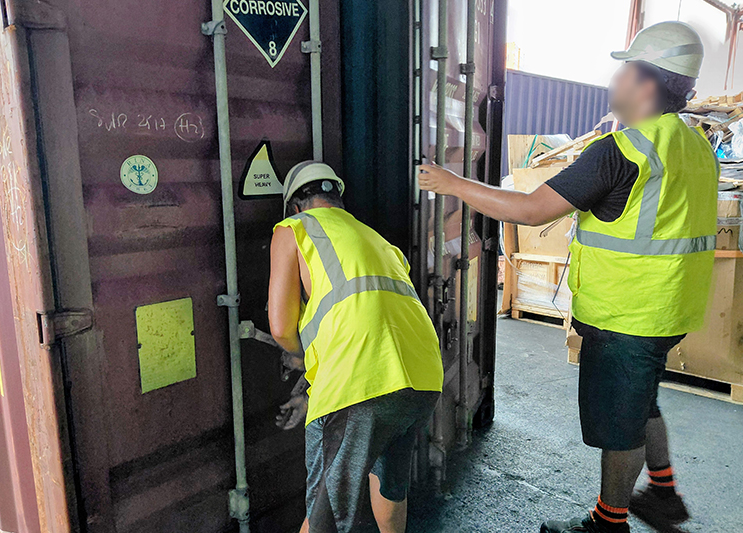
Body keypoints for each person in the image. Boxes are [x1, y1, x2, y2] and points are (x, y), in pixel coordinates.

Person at [419, 21, 717, 533]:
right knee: (642, 400)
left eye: (624, 69)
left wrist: (451, 182)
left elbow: (532, 210)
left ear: (646, 84)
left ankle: (609, 522)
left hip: (628, 315)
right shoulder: (693, 145)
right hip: (671, 308)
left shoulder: (622, 152)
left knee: (619, 424)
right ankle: (664, 493)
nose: (615, 79)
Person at [268, 161, 444, 533]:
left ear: (295, 205)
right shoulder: (375, 237)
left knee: (324, 517)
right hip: (423, 375)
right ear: (336, 198)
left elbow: (282, 327)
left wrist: (300, 358)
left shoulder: (293, 229)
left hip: (361, 382)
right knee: (390, 483)